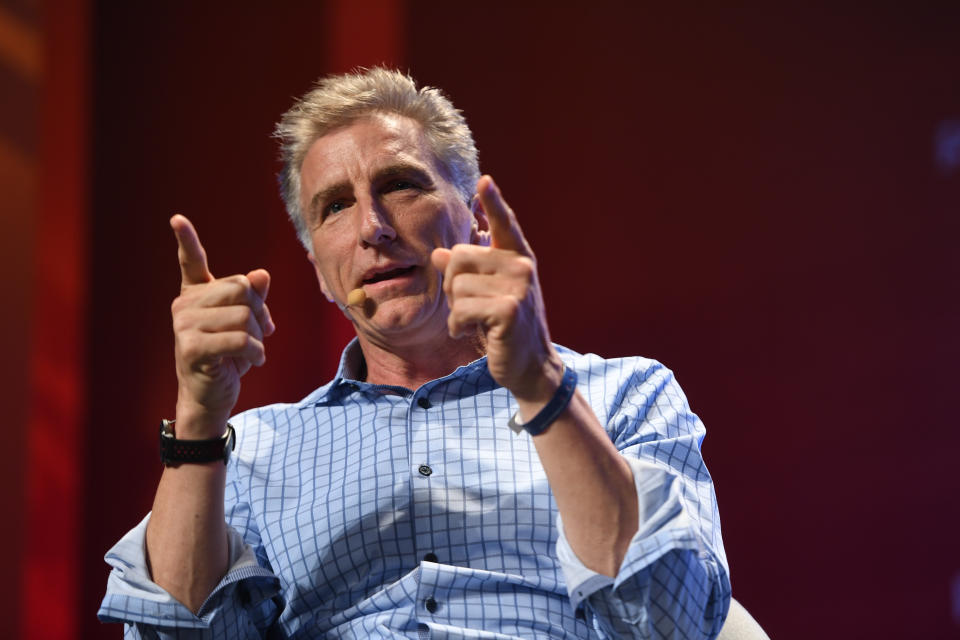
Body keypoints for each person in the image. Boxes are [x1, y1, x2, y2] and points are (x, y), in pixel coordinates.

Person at [98, 67, 731, 639]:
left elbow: (674, 622)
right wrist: (199, 422)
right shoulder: (253, 451)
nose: (372, 225)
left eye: (400, 185)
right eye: (336, 206)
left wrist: (540, 386)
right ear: (318, 269)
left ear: (477, 220)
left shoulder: (622, 395)